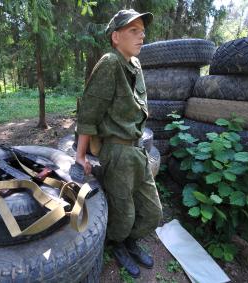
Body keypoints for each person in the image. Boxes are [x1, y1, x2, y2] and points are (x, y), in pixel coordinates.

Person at [75, 9, 163, 278]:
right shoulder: (110, 63)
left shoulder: (134, 65)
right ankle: (117, 244)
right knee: (123, 212)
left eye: (142, 31)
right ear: (116, 37)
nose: (142, 36)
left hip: (137, 149)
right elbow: (88, 113)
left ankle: (129, 240)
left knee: (152, 211)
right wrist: (81, 155)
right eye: (133, 31)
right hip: (117, 151)